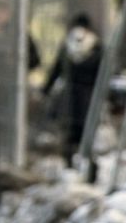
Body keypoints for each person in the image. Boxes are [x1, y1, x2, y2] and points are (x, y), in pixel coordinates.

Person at [43, 13, 102, 159]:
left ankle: (74, 158)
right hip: (87, 96)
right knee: (83, 129)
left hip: (72, 96)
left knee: (71, 129)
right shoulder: (97, 47)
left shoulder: (69, 47)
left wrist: (46, 89)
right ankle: (80, 158)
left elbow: (56, 70)